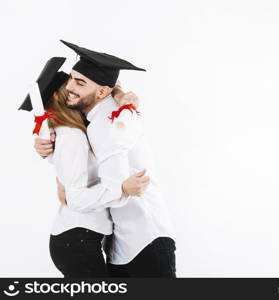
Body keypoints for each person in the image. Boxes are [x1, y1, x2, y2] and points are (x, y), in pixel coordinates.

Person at [35, 41, 177, 278]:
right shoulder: (94, 115)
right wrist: (49, 151)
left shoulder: (107, 126)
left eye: (79, 82)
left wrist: (73, 196)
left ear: (102, 92)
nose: (69, 86)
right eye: (71, 78)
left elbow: (119, 192)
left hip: (143, 239)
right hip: (121, 243)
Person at [20, 57, 149, 277]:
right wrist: (122, 189)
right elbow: (76, 198)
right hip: (77, 238)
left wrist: (118, 94)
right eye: (68, 86)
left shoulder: (78, 132)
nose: (71, 89)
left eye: (77, 83)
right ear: (61, 99)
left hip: (82, 237)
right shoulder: (72, 137)